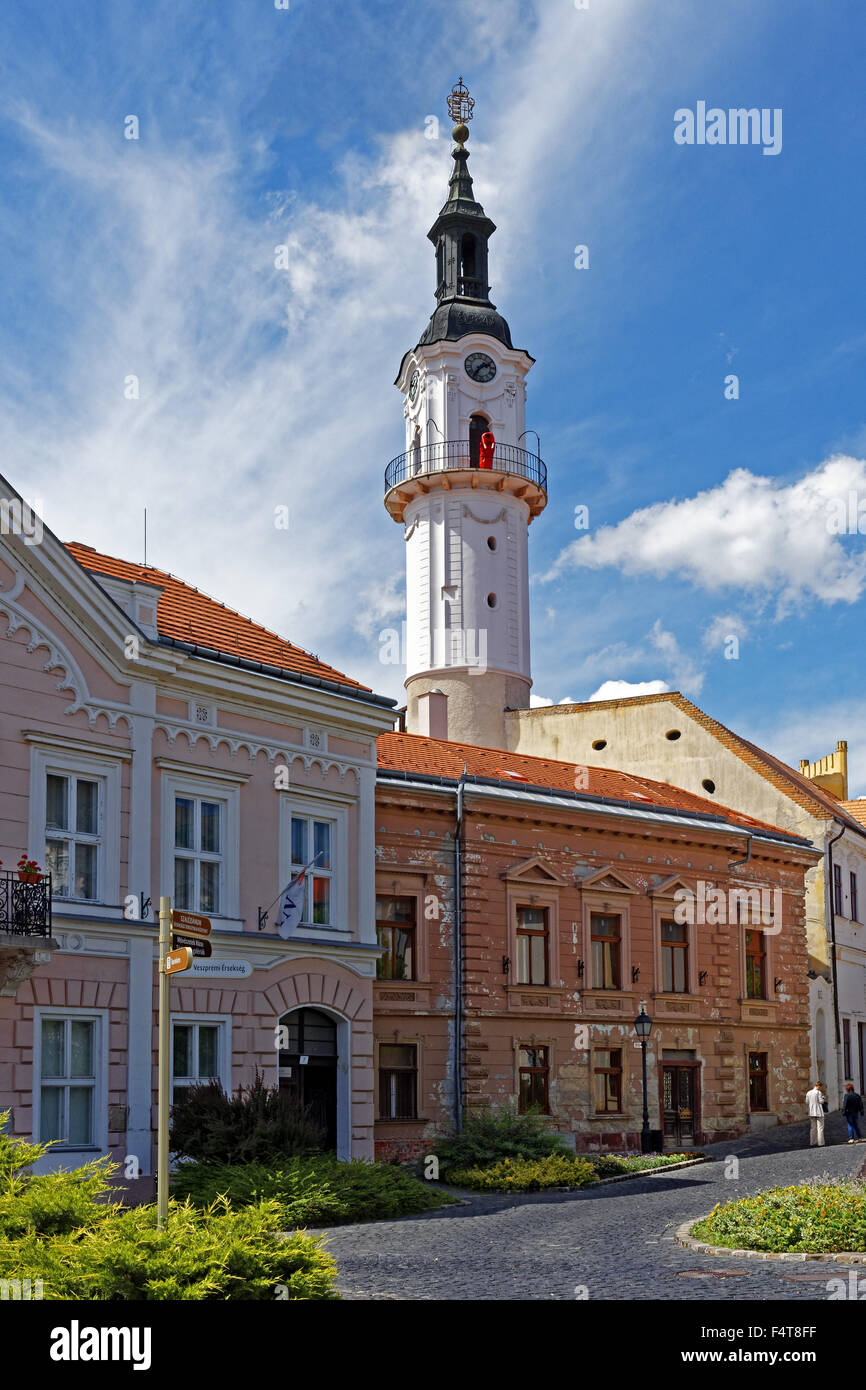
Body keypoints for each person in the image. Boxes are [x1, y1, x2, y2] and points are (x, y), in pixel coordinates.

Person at [806, 1080, 826, 1146]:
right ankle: (820, 1143)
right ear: (819, 1086)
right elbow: (821, 1101)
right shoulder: (818, 1092)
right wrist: (823, 1098)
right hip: (818, 1112)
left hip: (811, 1112)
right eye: (821, 1087)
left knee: (813, 1128)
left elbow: (807, 1102)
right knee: (820, 1128)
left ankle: (812, 1142)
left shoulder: (808, 1092)